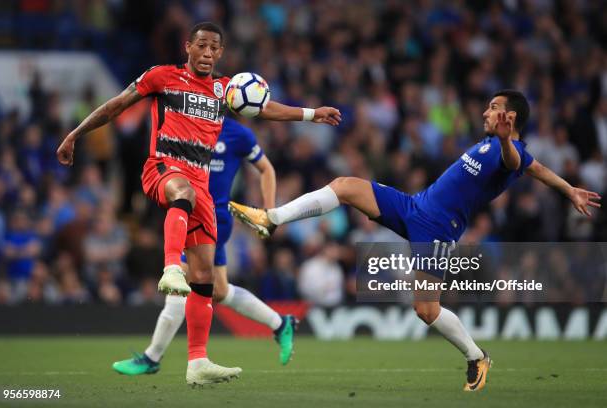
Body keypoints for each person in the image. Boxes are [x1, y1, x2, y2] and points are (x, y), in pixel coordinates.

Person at [228, 90, 602, 391]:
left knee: (425, 311)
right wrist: (569, 190)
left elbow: (518, 161)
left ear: (511, 118)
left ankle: (477, 356)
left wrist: (507, 142)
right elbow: (538, 169)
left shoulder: (510, 151)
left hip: (438, 230)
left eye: (494, 108)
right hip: (413, 205)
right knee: (344, 186)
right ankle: (272, 217)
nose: (487, 113)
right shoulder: (497, 145)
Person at [56, 22, 341, 386]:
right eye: (201, 46)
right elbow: (116, 105)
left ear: (220, 53)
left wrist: (311, 114)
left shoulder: (226, 90)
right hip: (164, 167)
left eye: (214, 48)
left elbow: (266, 108)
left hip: (202, 187)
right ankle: (170, 267)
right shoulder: (162, 77)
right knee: (183, 197)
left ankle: (197, 361)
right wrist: (75, 134)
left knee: (205, 277)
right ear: (188, 47)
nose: (207, 53)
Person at [112, 117, 298, 376]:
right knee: (219, 291)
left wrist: (268, 211)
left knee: (182, 283)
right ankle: (280, 323)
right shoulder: (191, 125)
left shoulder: (238, 134)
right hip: (190, 209)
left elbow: (267, 169)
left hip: (214, 217)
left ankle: (151, 357)